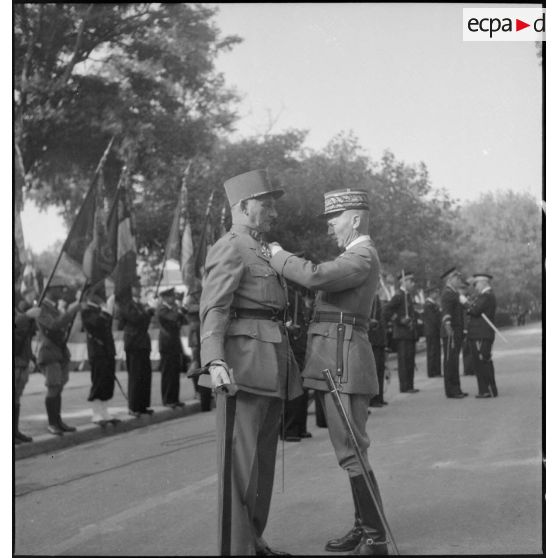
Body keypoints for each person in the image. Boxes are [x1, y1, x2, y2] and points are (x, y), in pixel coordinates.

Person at [269, 188, 389, 555]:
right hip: (335, 357)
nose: (330, 228)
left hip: (343, 360)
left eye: (334, 220)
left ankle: (375, 536)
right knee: (350, 449)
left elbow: (316, 276)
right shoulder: (355, 254)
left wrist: (278, 255)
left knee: (352, 450)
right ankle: (364, 528)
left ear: (354, 219)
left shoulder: (362, 255)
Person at [200, 169, 303, 556]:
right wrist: (213, 360)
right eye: (267, 203)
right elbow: (214, 307)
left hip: (273, 363)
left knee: (261, 468)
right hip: (242, 369)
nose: (273, 212)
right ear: (243, 207)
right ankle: (236, 550)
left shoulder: (263, 249)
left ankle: (254, 541)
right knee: (240, 471)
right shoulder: (230, 247)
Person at [35, 279, 83, 435]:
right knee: (53, 387)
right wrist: (70, 312)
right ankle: (52, 423)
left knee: (59, 387)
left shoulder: (54, 307)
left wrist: (70, 313)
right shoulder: (42, 308)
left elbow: (62, 326)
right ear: (49, 290)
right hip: (49, 353)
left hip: (59, 352)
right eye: (58, 289)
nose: (61, 292)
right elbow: (54, 325)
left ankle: (58, 420)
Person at [81, 287, 119, 425]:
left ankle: (104, 411)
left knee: (108, 381)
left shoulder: (99, 310)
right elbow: (97, 324)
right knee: (99, 381)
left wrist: (106, 310)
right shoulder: (87, 311)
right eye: (98, 295)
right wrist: (106, 310)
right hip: (97, 351)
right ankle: (96, 412)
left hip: (107, 350)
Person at [282, 282, 313, 441]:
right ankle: (289, 429)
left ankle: (300, 426)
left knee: (302, 387)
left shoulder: (297, 294)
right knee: (293, 387)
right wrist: (288, 327)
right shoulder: (285, 291)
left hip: (301, 345)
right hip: (291, 345)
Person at [118, 281, 155, 417]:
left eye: (139, 287)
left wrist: (148, 312)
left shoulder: (139, 305)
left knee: (144, 375)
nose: (139, 289)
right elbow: (135, 319)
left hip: (143, 343)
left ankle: (143, 405)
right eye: (136, 287)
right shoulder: (127, 304)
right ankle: (134, 406)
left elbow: (143, 323)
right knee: (135, 376)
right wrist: (148, 312)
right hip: (134, 343)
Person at [384, 271, 419, 394]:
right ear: (404, 282)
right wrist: (399, 320)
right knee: (404, 361)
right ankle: (404, 386)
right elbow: (386, 310)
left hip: (409, 333)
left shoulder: (407, 295)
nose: (413, 284)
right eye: (411, 281)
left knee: (410, 360)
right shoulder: (399, 295)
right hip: (402, 334)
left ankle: (410, 385)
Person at [466, 273, 498, 398]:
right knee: (483, 361)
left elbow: (474, 310)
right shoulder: (485, 295)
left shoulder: (486, 296)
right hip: (481, 334)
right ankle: (488, 389)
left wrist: (466, 304)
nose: (475, 286)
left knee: (482, 362)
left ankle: (486, 390)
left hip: (481, 334)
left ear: (484, 282)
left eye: (477, 283)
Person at [14, 288, 38, 443]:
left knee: (16, 398)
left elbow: (28, 336)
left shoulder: (18, 310)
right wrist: (26, 316)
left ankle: (14, 431)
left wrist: (30, 358)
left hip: (21, 360)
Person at [440, 267, 468, 399]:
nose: (459, 281)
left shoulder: (454, 293)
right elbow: (446, 312)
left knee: (454, 360)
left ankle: (457, 388)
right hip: (450, 331)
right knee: (450, 361)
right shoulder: (447, 293)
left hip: (456, 330)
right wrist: (448, 326)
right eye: (457, 279)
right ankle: (452, 390)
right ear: (450, 279)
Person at [157, 287, 187, 409]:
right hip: (166, 344)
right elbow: (174, 317)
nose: (173, 298)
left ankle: (174, 398)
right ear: (164, 297)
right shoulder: (162, 309)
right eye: (170, 296)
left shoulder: (171, 309)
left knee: (175, 373)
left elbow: (183, 320)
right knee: (167, 373)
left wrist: (180, 310)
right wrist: (179, 309)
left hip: (174, 344)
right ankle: (167, 399)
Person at [185, 280, 213, 412]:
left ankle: (206, 395)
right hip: (196, 337)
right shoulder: (191, 302)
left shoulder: (201, 299)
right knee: (196, 365)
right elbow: (198, 308)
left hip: (202, 335)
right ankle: (199, 392)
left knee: (205, 366)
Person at [368, 288, 388, 407]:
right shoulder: (369, 297)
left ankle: (379, 397)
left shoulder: (377, 298)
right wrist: (370, 321)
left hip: (379, 340)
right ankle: (372, 399)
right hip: (372, 340)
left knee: (380, 369)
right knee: (373, 371)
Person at [422, 286, 442, 378]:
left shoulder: (433, 304)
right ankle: (432, 371)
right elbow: (434, 319)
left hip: (434, 331)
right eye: (435, 293)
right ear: (431, 294)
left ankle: (437, 371)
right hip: (431, 331)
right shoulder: (428, 305)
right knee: (432, 352)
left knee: (436, 351)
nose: (437, 295)